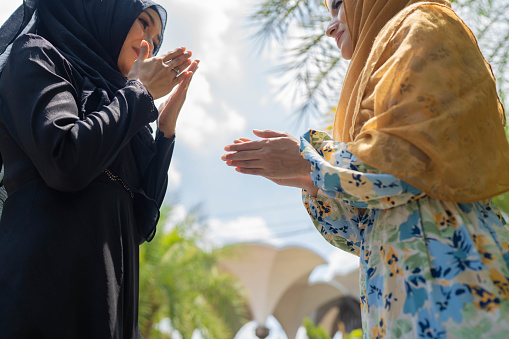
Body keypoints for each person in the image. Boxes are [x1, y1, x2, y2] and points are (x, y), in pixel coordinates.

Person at [222, 0, 509, 337]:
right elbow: (362, 228)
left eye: (338, 5)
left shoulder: (426, 26)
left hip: (454, 279)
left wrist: (311, 162)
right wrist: (311, 180)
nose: (330, 27)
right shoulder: (379, 74)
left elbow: (407, 161)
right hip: (395, 303)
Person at [0, 0, 198, 337]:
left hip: (110, 299)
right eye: (143, 22)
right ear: (107, 12)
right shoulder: (36, 55)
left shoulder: (120, 104)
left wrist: (164, 131)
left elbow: (140, 221)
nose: (149, 39)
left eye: (158, 36)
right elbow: (66, 160)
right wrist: (140, 94)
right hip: (47, 290)